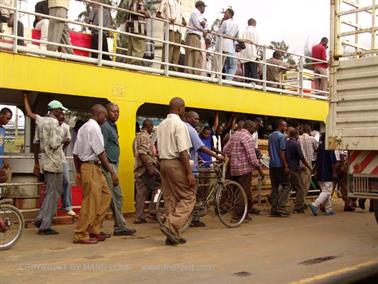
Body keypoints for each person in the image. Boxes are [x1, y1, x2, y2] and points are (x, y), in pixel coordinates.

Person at [72, 104, 119, 244]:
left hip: (91, 167)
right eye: (104, 116)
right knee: (90, 202)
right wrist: (112, 172)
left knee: (106, 195)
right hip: (91, 167)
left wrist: (78, 171)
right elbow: (100, 152)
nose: (105, 119)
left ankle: (94, 228)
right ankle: (81, 234)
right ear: (99, 114)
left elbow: (75, 153)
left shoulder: (83, 128)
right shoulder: (94, 128)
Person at [24, 94, 67, 235]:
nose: (62, 113)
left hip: (44, 162)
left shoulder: (41, 121)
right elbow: (55, 143)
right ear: (55, 111)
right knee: (53, 194)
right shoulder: (54, 123)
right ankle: (45, 225)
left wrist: (36, 162)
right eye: (61, 111)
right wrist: (64, 139)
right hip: (54, 162)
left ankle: (40, 218)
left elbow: (36, 142)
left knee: (49, 192)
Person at [156, 97, 194, 246]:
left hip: (163, 163)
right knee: (188, 197)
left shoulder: (161, 125)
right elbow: (183, 151)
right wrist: (189, 173)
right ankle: (170, 225)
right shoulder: (179, 124)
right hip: (175, 163)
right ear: (180, 108)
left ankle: (172, 235)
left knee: (170, 198)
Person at [101, 103, 136, 235]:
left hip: (113, 165)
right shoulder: (105, 127)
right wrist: (110, 170)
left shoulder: (113, 126)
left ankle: (119, 225)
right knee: (114, 197)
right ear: (107, 112)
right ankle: (119, 226)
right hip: (109, 166)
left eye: (118, 112)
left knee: (116, 196)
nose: (116, 114)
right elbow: (101, 149)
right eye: (113, 111)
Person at [185, 111, 222, 227]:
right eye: (195, 119)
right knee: (193, 194)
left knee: (201, 189)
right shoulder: (192, 131)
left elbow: (210, 147)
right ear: (188, 118)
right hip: (195, 167)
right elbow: (200, 148)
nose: (197, 121)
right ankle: (193, 218)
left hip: (199, 165)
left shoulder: (185, 129)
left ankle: (193, 214)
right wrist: (217, 157)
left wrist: (219, 153)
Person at [223, 120, 264, 221]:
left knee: (239, 191)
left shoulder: (235, 135)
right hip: (244, 169)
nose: (254, 130)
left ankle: (244, 214)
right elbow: (251, 157)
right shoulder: (247, 137)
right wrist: (259, 169)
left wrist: (236, 154)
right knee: (242, 193)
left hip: (234, 168)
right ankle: (237, 216)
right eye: (254, 128)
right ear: (249, 127)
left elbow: (225, 150)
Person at [134, 119, 160, 224]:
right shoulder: (144, 137)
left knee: (141, 193)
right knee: (158, 188)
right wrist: (150, 167)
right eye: (152, 127)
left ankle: (139, 216)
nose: (152, 129)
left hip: (138, 168)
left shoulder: (137, 137)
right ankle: (152, 211)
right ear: (149, 126)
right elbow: (142, 153)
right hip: (146, 168)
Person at [309, 133, 337, 216]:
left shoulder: (320, 146)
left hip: (320, 171)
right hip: (327, 172)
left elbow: (317, 160)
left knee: (325, 190)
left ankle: (328, 209)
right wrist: (334, 173)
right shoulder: (329, 146)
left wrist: (315, 171)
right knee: (327, 191)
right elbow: (333, 162)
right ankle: (315, 204)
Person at [285, 127, 312, 213]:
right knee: (300, 188)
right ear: (296, 135)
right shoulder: (296, 144)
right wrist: (309, 167)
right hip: (294, 169)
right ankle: (298, 207)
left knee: (287, 186)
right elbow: (302, 158)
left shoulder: (286, 143)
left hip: (287, 167)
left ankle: (279, 203)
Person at [268, 119, 291, 217]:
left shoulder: (270, 136)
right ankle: (281, 206)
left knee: (274, 187)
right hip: (280, 164)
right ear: (281, 126)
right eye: (285, 126)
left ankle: (274, 208)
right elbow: (282, 151)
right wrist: (285, 164)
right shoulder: (281, 137)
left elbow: (269, 150)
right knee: (287, 185)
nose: (286, 128)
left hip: (272, 164)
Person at [157, 0, 186, 71]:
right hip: (170, 28)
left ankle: (173, 72)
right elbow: (158, 14)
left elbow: (181, 16)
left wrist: (183, 21)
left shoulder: (179, 3)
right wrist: (168, 19)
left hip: (178, 29)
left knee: (176, 52)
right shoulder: (166, 1)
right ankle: (164, 71)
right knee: (168, 50)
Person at [58, 113, 76, 217]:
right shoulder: (50, 126)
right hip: (51, 160)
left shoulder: (65, 127)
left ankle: (67, 206)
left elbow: (68, 140)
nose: (62, 119)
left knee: (67, 181)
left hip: (62, 158)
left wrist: (60, 147)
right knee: (53, 186)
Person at [214, 8, 239, 80]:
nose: (224, 14)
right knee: (227, 65)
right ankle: (227, 80)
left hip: (223, 44)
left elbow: (219, 33)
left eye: (226, 13)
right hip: (230, 46)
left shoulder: (225, 22)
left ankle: (216, 78)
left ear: (230, 14)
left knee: (219, 64)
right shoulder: (236, 24)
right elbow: (236, 36)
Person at [184, 1, 207, 75]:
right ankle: (189, 73)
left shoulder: (199, 15)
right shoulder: (194, 13)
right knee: (190, 55)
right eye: (204, 7)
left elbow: (206, 25)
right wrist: (203, 28)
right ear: (201, 6)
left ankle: (195, 73)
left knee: (197, 56)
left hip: (197, 37)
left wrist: (204, 26)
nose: (204, 9)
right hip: (192, 35)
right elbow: (196, 25)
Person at [125, 0, 150, 65]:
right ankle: (134, 66)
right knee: (140, 48)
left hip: (136, 28)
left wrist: (144, 12)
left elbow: (148, 15)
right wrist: (144, 12)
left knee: (131, 48)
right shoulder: (135, 1)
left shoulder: (140, 2)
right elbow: (134, 11)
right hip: (137, 28)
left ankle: (129, 67)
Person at [298, 124, 318, 203]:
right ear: (309, 131)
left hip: (299, 164)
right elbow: (316, 148)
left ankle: (301, 201)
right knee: (306, 184)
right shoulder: (312, 139)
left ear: (302, 130)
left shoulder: (298, 138)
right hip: (308, 164)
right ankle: (301, 201)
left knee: (300, 183)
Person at [240, 18, 259, 82]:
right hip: (252, 52)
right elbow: (256, 41)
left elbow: (240, 40)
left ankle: (246, 84)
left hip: (244, 52)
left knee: (246, 72)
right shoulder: (255, 30)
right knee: (254, 71)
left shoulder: (243, 30)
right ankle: (254, 84)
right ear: (254, 23)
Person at [0, 107, 12, 180]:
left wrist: (4, 163)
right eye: (7, 118)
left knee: (4, 178)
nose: (8, 121)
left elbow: (1, 146)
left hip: (0, 163)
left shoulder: (3, 130)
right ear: (1, 115)